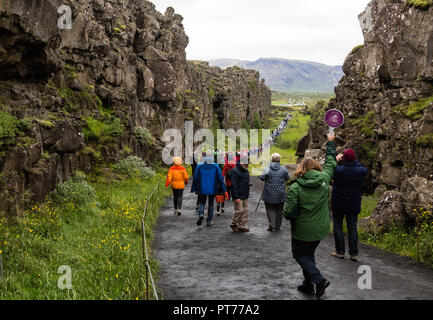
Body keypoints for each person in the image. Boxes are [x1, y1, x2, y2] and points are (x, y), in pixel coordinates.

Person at [283, 133, 343, 299]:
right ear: (317, 167)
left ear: (301, 169)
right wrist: (331, 142)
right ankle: (308, 285)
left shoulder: (295, 187)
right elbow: (331, 163)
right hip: (320, 229)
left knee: (299, 254)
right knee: (308, 255)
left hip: (302, 230)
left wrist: (289, 216)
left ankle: (319, 280)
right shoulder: (324, 179)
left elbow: (288, 211)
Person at [331, 148, 367, 262]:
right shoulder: (360, 171)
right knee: (352, 227)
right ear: (354, 158)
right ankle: (354, 253)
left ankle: (340, 251)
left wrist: (336, 160)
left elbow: (328, 170)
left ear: (343, 158)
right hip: (353, 202)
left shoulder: (338, 170)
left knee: (337, 225)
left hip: (338, 202)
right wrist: (353, 161)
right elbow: (362, 167)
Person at [191, 156, 227, 227]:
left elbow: (195, 177)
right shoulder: (216, 166)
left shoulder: (200, 166)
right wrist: (223, 188)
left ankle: (201, 214)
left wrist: (194, 187)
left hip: (202, 188)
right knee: (211, 204)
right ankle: (209, 220)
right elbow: (220, 177)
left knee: (201, 202)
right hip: (212, 188)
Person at [260, 153, 290, 232]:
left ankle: (271, 225)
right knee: (279, 210)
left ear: (271, 160)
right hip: (280, 193)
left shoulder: (267, 168)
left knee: (270, 209)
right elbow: (288, 178)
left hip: (269, 193)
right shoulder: (283, 169)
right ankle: (277, 226)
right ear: (279, 160)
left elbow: (262, 178)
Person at [230, 156, 251, 232]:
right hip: (238, 195)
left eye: (247, 164)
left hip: (245, 193)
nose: (247, 166)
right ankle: (233, 224)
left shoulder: (246, 171)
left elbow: (246, 180)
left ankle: (242, 225)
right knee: (239, 211)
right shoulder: (234, 171)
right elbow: (233, 185)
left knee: (245, 211)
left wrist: (248, 183)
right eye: (246, 164)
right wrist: (236, 197)